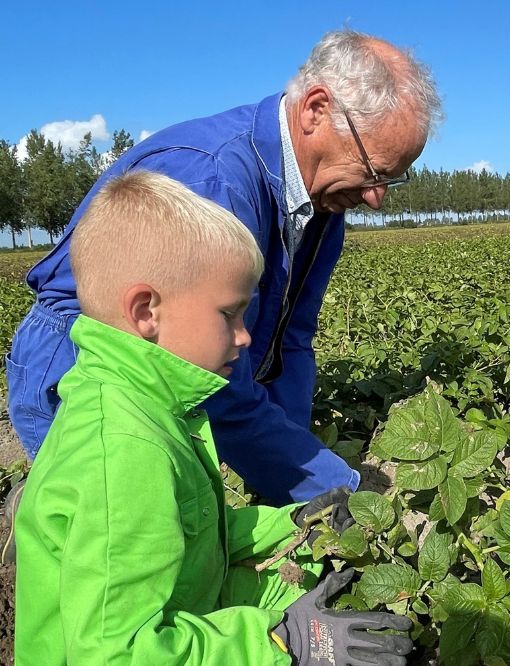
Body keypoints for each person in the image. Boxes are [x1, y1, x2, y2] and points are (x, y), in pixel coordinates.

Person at [5, 29, 443, 503]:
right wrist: (332, 489)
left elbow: (290, 339)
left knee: (184, 525)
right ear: (316, 109)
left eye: (392, 180)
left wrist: (292, 463)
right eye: (375, 171)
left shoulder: (325, 199)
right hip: (83, 363)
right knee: (125, 529)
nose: (376, 198)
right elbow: (211, 381)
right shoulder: (212, 182)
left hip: (170, 376)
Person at [14, 171, 412, 665]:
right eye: (230, 315)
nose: (245, 337)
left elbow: (196, 536)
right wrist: (280, 643)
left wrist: (290, 523)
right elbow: (114, 654)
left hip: (190, 609)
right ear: (145, 312)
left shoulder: (140, 403)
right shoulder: (126, 450)